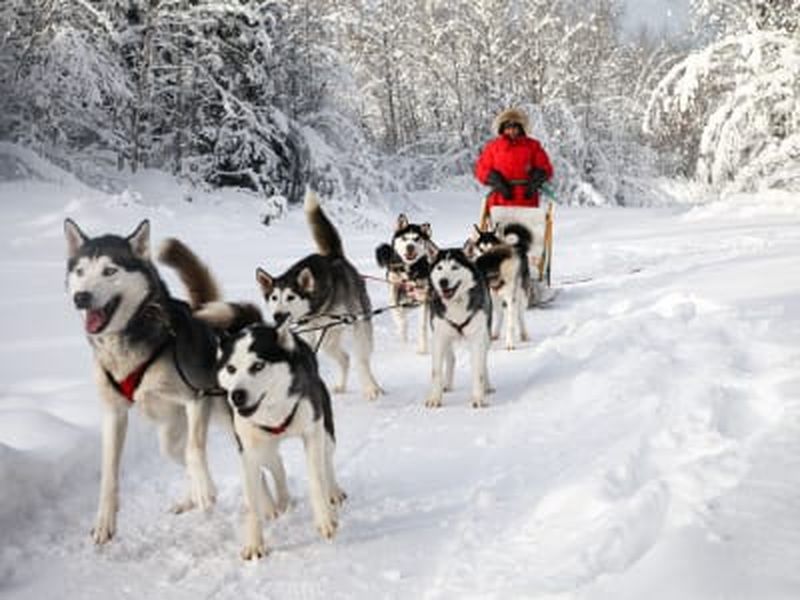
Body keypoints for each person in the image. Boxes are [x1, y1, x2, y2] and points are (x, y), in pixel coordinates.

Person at [474, 107, 553, 224]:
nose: (512, 131)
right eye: (508, 127)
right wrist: (495, 179)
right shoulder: (493, 147)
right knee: (500, 231)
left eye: (515, 127)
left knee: (526, 232)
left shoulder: (533, 146)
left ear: (521, 128)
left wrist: (536, 179)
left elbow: (546, 168)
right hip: (500, 198)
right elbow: (481, 169)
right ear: (502, 129)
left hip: (526, 198)